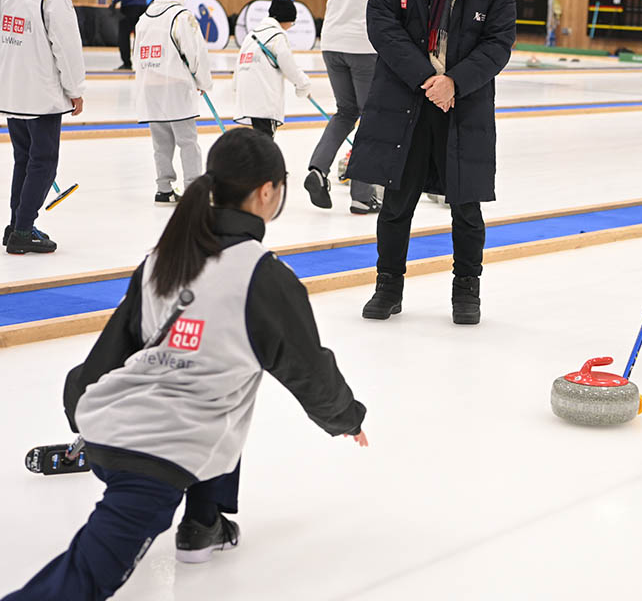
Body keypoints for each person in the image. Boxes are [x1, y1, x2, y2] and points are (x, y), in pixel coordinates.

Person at [2, 128, 369, 601]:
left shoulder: (163, 257)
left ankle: (204, 519)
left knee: (224, 372)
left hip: (110, 427)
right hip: (157, 455)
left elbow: (109, 351)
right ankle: (200, 519)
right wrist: (346, 418)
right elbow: (308, 369)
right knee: (82, 580)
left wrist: (80, 411)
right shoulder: (263, 276)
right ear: (266, 192)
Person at [347, 0, 516, 325]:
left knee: (466, 204)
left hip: (464, 104)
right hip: (407, 96)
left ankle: (466, 288)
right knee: (396, 202)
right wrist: (427, 78)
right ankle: (388, 286)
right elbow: (382, 23)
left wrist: (455, 81)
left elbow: (499, 42)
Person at [0, 0, 85, 255]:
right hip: (42, 93)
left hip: (11, 90)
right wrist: (75, 88)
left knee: (23, 159)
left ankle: (16, 224)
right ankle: (23, 230)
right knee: (44, 162)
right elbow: (66, 43)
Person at [306, 0, 395, 215]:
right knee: (372, 119)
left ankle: (318, 169)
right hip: (365, 44)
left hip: (331, 41)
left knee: (346, 112)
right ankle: (362, 195)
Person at [134, 0, 213, 206]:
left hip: (150, 87)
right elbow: (195, 53)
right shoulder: (181, 15)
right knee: (188, 142)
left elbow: (136, 53)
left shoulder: (145, 16)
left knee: (161, 144)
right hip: (176, 87)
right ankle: (193, 190)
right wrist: (203, 82)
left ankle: (164, 188)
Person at [233, 0, 311, 138]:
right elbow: (289, 67)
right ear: (287, 20)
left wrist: (236, 88)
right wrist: (304, 86)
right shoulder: (277, 36)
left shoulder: (251, 35)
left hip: (247, 96)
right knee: (265, 140)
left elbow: (238, 64)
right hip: (264, 98)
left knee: (259, 138)